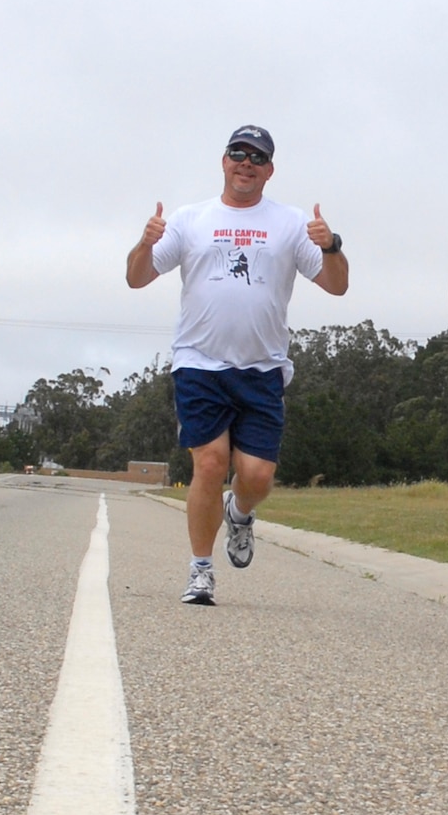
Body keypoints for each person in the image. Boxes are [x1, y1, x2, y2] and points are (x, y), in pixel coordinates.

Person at [126, 125, 348, 606]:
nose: (246, 163)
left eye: (257, 157)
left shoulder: (289, 222)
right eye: (237, 154)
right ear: (223, 161)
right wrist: (145, 243)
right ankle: (201, 570)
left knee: (257, 476)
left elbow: (336, 286)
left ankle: (241, 513)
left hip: (262, 368)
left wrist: (331, 246)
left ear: (269, 169)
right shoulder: (190, 219)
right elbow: (137, 278)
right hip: (199, 363)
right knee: (209, 462)